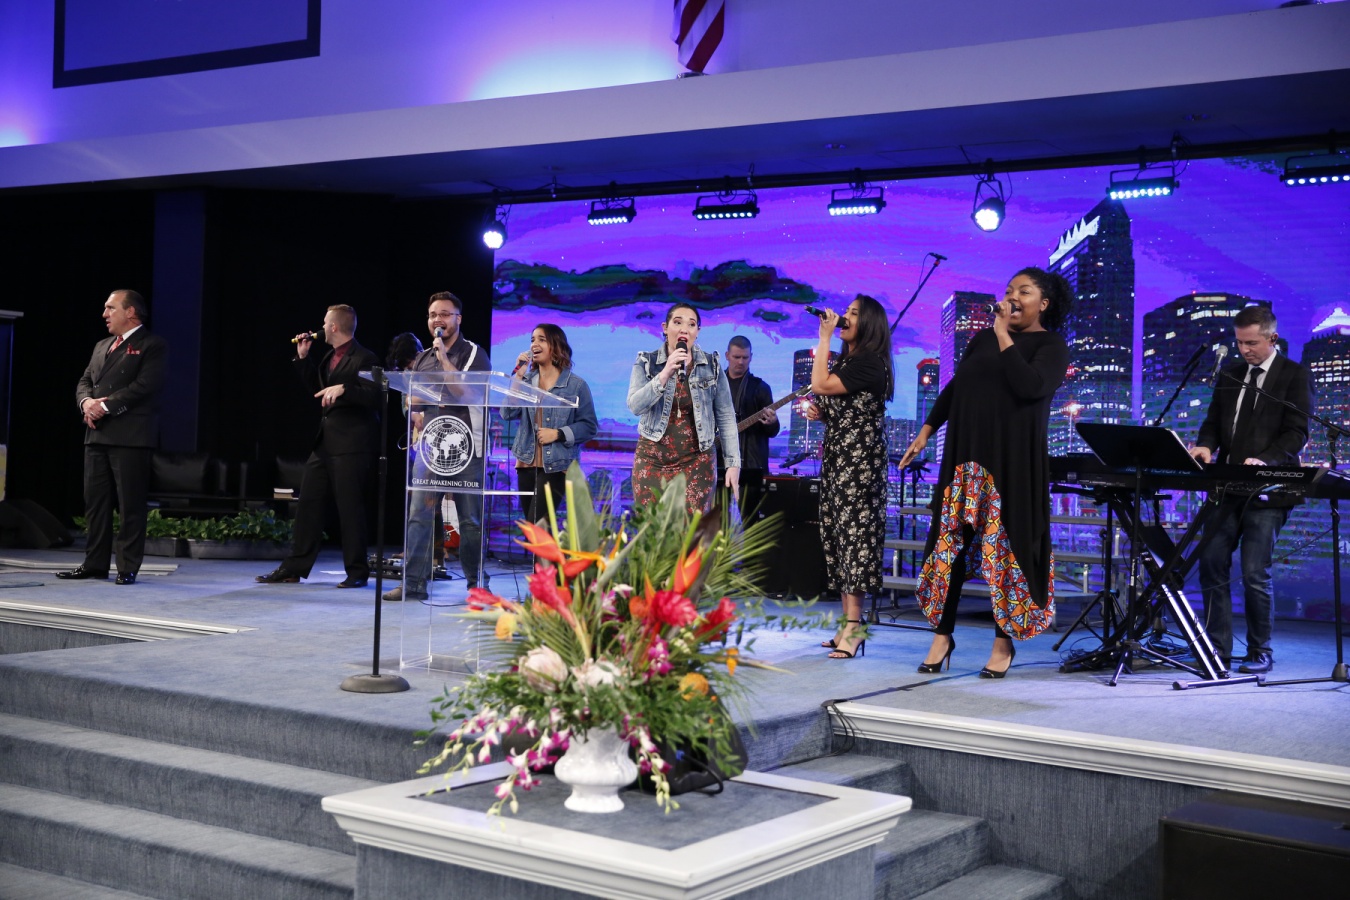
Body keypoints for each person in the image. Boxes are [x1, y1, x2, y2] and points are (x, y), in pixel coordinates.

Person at [899, 267, 1071, 678]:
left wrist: (1003, 334)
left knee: (1005, 550)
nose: (1012, 297)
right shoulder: (981, 340)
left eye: (1024, 292)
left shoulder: (1050, 345)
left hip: (1012, 461)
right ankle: (942, 636)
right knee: (950, 547)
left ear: (1043, 303)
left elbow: (1030, 386)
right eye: (1009, 289)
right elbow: (956, 388)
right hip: (965, 454)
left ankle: (1002, 641)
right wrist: (926, 431)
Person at [1189, 306, 1312, 674]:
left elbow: (1297, 431)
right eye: (1240, 343)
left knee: (1254, 571)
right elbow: (1213, 421)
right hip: (1227, 486)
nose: (1245, 350)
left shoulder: (1294, 375)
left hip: (1270, 488)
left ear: (1272, 338)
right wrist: (1205, 446)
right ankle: (1217, 649)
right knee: (1211, 563)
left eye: (1252, 343)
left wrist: (1265, 460)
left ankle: (1260, 651)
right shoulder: (1230, 374)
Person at [256, 304, 379, 589]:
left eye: (325, 323)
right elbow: (318, 390)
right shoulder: (328, 357)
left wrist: (345, 389)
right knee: (308, 505)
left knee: (350, 509)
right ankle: (293, 568)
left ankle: (357, 572)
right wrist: (303, 358)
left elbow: (375, 397)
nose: (321, 327)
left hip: (352, 444)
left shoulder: (365, 357)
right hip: (325, 442)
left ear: (334, 327)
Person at [383, 291, 491, 602]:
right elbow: (414, 399)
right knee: (419, 515)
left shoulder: (473, 353)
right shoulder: (422, 358)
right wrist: (425, 401)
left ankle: (477, 586)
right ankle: (413, 584)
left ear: (458, 318)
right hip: (430, 446)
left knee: (470, 521)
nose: (437, 320)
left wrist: (444, 361)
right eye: (432, 315)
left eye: (444, 314)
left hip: (466, 447)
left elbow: (466, 393)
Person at [805, 295, 894, 660]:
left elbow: (821, 385)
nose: (844, 317)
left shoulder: (871, 362)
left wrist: (824, 337)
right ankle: (846, 624)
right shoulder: (850, 361)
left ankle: (855, 628)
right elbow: (838, 402)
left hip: (860, 465)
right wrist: (823, 413)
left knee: (855, 540)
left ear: (869, 323)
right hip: (839, 458)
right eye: (846, 311)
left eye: (853, 313)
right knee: (838, 539)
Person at [59, 290, 168, 586]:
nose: (104, 314)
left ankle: (127, 566)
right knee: (95, 504)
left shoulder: (152, 345)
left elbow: (146, 385)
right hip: (96, 434)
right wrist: (86, 403)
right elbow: (85, 381)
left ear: (130, 312)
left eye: (110, 308)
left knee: (130, 505)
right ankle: (94, 564)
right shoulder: (101, 345)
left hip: (130, 436)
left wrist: (104, 407)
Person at [627, 303, 740, 515]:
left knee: (691, 531)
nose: (684, 329)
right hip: (653, 460)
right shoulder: (646, 361)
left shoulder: (712, 365)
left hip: (697, 460)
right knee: (651, 528)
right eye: (678, 322)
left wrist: (733, 463)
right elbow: (635, 405)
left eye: (691, 324)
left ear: (697, 332)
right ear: (665, 327)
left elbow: (725, 416)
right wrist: (664, 374)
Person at [502, 324, 598, 525]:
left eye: (541, 339)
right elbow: (507, 413)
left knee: (536, 525)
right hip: (526, 462)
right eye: (532, 340)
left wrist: (558, 433)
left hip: (557, 465)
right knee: (534, 529)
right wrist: (518, 377)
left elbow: (589, 426)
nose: (534, 344)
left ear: (556, 346)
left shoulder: (576, 385)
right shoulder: (525, 381)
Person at [723, 335, 781, 520]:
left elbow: (772, 431)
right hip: (719, 464)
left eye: (745, 357)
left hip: (751, 466)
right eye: (736, 357)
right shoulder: (714, 386)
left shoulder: (761, 388)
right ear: (727, 356)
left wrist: (772, 422)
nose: (741, 362)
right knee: (716, 521)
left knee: (751, 523)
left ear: (751, 357)